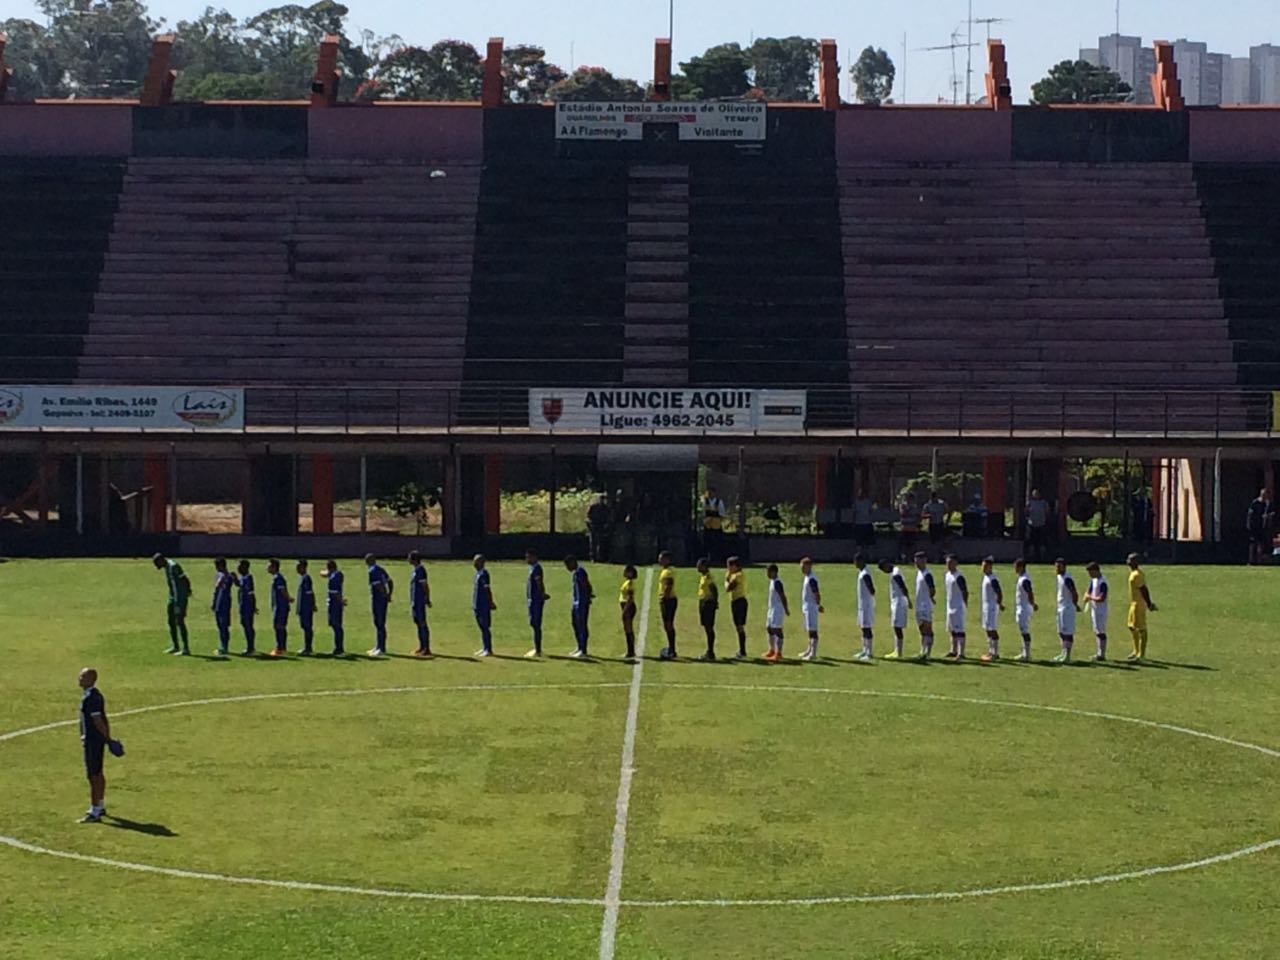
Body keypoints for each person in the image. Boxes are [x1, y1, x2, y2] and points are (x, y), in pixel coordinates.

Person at [77, 667, 122, 823]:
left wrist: (107, 739)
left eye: (83, 676)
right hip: (96, 740)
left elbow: (98, 721)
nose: (79, 678)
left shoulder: (91, 698)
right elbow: (104, 718)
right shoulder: (94, 695)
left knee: (93, 775)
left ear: (91, 679)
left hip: (93, 741)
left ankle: (95, 810)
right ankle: (100, 805)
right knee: (98, 772)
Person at [153, 553, 192, 656]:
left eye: (157, 564)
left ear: (161, 560)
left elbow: (184, 578)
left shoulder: (173, 566)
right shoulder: (166, 567)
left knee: (179, 621)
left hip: (179, 599)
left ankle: (186, 648)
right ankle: (175, 646)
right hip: (172, 598)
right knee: (171, 621)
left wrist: (187, 590)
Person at [1126, 553, 1158, 662]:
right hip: (1133, 603)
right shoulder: (1133, 573)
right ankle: (1136, 651)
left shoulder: (1137, 575)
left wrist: (1149, 604)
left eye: (1131, 560)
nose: (1128, 562)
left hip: (1138, 604)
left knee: (1141, 629)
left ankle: (1142, 655)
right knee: (1131, 627)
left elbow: (1144, 590)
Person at [878, 559, 911, 660]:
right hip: (896, 602)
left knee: (897, 627)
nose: (885, 572)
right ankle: (897, 650)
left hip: (899, 603)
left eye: (884, 569)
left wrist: (908, 599)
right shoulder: (895, 571)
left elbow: (903, 587)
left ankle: (898, 651)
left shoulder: (896, 574)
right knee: (896, 626)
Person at [1052, 558, 1081, 664]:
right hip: (1060, 607)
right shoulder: (1059, 577)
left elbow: (1074, 593)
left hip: (1067, 608)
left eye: (1059, 567)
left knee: (1068, 632)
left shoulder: (1067, 579)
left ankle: (1067, 655)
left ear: (1064, 567)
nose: (1057, 569)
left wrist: (1075, 604)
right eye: (1056, 567)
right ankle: (1063, 652)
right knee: (1061, 631)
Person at [365, 554, 393, 658]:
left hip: (378, 599)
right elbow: (390, 581)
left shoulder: (372, 571)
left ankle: (381, 648)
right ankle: (378, 646)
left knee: (379, 623)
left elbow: (379, 586)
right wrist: (389, 594)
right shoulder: (381, 569)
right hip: (381, 599)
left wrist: (385, 595)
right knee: (379, 623)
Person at [566, 555, 594, 658]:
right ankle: (579, 646)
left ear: (572, 562)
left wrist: (588, 596)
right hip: (576, 602)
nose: (567, 568)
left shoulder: (580, 572)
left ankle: (583, 650)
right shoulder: (575, 573)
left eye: (568, 565)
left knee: (582, 625)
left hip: (582, 603)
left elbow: (587, 585)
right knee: (575, 624)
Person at [798, 557, 824, 661]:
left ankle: (813, 653)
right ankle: (809, 650)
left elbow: (816, 593)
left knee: (813, 630)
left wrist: (818, 605)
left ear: (809, 566)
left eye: (803, 567)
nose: (802, 569)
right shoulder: (807, 577)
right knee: (809, 629)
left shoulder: (812, 579)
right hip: (806, 606)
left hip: (811, 607)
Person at [1013, 558, 1038, 662]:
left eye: (1016, 567)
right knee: (1022, 631)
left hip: (1024, 608)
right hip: (1021, 607)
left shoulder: (1024, 580)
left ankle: (1027, 654)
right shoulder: (1021, 578)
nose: (1014, 569)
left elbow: (1030, 592)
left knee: (1025, 631)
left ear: (1021, 567)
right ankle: (1024, 653)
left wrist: (1033, 604)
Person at [763, 563, 790, 661]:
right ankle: (772, 650)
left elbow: (783, 596)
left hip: (777, 609)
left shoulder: (777, 583)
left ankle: (779, 653)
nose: (767, 574)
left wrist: (786, 609)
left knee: (777, 629)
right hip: (771, 608)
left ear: (774, 572)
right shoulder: (772, 581)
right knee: (769, 628)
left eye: (768, 572)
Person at [979, 556, 1004, 662]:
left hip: (991, 607)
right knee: (987, 629)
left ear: (990, 567)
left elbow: (999, 592)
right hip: (986, 607)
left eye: (985, 566)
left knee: (992, 629)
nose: (983, 568)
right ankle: (990, 651)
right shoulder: (986, 577)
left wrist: (999, 603)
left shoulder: (993, 579)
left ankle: (995, 653)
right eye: (982, 566)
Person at [943, 554, 968, 660]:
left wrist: (964, 603)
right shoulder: (947, 575)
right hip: (950, 606)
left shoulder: (959, 577)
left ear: (956, 563)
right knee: (952, 629)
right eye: (947, 563)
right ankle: (953, 650)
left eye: (951, 563)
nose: (948, 565)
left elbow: (964, 591)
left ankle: (961, 653)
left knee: (959, 630)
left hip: (958, 607)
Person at [724, 556, 749, 661]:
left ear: (735, 566)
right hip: (736, 601)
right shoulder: (734, 575)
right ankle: (742, 650)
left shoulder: (737, 576)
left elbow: (728, 588)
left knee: (739, 626)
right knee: (738, 626)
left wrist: (726, 581)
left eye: (729, 566)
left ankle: (742, 651)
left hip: (739, 602)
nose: (728, 568)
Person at [408, 551, 432, 658]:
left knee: (422, 624)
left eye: (409, 558)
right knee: (417, 623)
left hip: (419, 601)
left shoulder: (421, 570)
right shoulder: (415, 570)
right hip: (415, 601)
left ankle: (426, 648)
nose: (408, 560)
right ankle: (421, 646)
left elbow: (425, 585)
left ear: (414, 559)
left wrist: (427, 598)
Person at [1084, 561, 1109, 662]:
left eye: (1091, 572)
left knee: (1101, 631)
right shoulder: (1093, 580)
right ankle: (1099, 653)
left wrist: (1090, 597)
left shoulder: (1103, 582)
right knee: (1097, 630)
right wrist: (1087, 595)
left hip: (1101, 610)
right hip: (1094, 609)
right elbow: (1089, 591)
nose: (1090, 575)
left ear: (1096, 571)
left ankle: (1102, 654)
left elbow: (1101, 598)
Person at [695, 557, 719, 661]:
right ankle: (709, 651)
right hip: (704, 602)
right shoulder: (703, 576)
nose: (697, 567)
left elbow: (714, 590)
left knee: (709, 627)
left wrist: (714, 602)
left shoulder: (708, 577)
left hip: (708, 603)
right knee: (706, 627)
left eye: (699, 565)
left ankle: (710, 652)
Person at [913, 552, 936, 660]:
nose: (916, 564)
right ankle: (922, 650)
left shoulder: (927, 574)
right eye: (915, 561)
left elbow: (932, 589)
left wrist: (930, 597)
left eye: (918, 561)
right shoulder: (919, 573)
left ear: (924, 561)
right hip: (919, 604)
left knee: (927, 628)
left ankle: (928, 652)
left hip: (925, 605)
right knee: (921, 628)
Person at [525, 549, 547, 658]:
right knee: (533, 623)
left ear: (534, 557)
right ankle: (536, 648)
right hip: (532, 599)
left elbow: (539, 582)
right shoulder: (532, 568)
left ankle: (538, 650)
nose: (526, 559)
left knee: (536, 624)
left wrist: (542, 594)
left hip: (536, 600)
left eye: (528, 557)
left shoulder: (537, 569)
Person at [473, 554, 496, 657]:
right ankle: (484, 647)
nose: (474, 563)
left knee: (485, 626)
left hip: (483, 605)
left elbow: (487, 589)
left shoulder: (484, 574)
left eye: (476, 561)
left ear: (481, 563)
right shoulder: (478, 574)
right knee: (481, 627)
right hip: (477, 604)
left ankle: (488, 649)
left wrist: (490, 602)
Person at [267, 558, 291, 657]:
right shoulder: (276, 577)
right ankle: (281, 647)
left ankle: (280, 648)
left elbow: (283, 590)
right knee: (279, 626)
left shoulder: (278, 578)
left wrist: (288, 598)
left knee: (279, 626)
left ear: (274, 567)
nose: (267, 567)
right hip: (279, 606)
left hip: (281, 607)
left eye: (269, 566)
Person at [657, 551, 679, 661]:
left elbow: (668, 585)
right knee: (667, 624)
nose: (659, 560)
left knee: (668, 624)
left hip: (668, 600)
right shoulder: (666, 571)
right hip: (669, 600)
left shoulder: (668, 572)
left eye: (661, 558)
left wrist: (664, 597)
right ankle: (671, 648)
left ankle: (672, 649)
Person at [854, 554, 876, 661]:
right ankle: (864, 649)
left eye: (856, 561)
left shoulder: (865, 574)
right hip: (862, 604)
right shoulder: (861, 573)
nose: (855, 564)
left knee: (867, 628)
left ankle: (869, 652)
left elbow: (872, 589)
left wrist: (868, 598)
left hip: (866, 605)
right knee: (863, 627)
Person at [211, 557, 234, 658]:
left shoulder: (228, 577)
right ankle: (222, 645)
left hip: (225, 603)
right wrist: (214, 603)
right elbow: (216, 590)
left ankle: (225, 647)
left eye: (217, 566)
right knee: (219, 625)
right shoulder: (219, 575)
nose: (216, 568)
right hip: (218, 603)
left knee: (224, 625)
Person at [323, 559, 345, 656]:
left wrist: (341, 601)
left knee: (336, 626)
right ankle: (339, 647)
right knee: (336, 626)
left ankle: (338, 648)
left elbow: (336, 593)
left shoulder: (333, 578)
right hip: (336, 604)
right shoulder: (337, 575)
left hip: (334, 604)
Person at [1247, 488, 1274, 565]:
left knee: (1260, 544)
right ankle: (1250, 560)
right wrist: (1250, 524)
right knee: (1252, 544)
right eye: (1263, 495)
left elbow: (1271, 513)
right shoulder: (1255, 503)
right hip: (1254, 526)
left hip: (1262, 527)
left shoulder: (1267, 504)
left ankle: (1259, 561)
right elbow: (1250, 514)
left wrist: (1267, 516)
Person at [236, 559, 256, 656]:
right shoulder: (242, 577)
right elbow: (240, 586)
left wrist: (253, 606)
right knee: (244, 624)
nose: (238, 568)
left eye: (240, 566)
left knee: (248, 626)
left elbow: (251, 594)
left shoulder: (248, 578)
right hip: (242, 605)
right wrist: (235, 580)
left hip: (247, 606)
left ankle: (251, 647)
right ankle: (249, 646)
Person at [296, 560, 316, 656]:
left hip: (306, 608)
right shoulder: (302, 578)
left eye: (298, 566)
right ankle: (307, 647)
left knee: (307, 627)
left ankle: (308, 647)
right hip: (302, 607)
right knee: (304, 627)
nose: (297, 569)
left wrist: (312, 605)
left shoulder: (306, 578)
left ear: (303, 567)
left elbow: (310, 593)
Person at [701, 487, 727, 561]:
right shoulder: (704, 501)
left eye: (711, 492)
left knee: (717, 542)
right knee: (707, 542)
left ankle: (716, 558)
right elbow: (702, 513)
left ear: (714, 493)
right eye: (708, 492)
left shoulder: (719, 502)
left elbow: (722, 513)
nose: (709, 494)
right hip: (707, 526)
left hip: (716, 526)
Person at [619, 564, 638, 661]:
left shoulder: (630, 583)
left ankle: (630, 651)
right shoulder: (627, 582)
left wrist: (625, 610)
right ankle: (630, 650)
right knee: (627, 628)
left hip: (628, 607)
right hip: (627, 606)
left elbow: (630, 597)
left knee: (628, 629)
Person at [1026, 489, 1050, 562]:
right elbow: (1026, 512)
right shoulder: (1030, 503)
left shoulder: (1043, 503)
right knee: (1031, 541)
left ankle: (1042, 557)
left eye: (1037, 493)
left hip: (1041, 525)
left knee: (1042, 541)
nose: (1036, 495)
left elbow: (1047, 512)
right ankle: (1031, 557)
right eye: (1034, 494)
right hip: (1032, 525)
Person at [587, 495, 612, 563]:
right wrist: (590, 524)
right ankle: (593, 557)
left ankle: (600, 557)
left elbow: (608, 517)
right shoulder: (593, 507)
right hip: (594, 525)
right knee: (593, 542)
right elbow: (588, 516)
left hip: (601, 526)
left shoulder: (605, 508)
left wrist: (606, 525)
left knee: (600, 543)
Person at [923, 491, 948, 560]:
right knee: (933, 542)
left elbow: (948, 511)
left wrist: (946, 521)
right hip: (932, 524)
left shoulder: (942, 504)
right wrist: (929, 515)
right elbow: (923, 515)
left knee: (941, 541)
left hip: (940, 524)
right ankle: (935, 557)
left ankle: (941, 556)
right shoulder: (928, 505)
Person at [898, 492, 920, 561]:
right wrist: (908, 508)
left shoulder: (915, 507)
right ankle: (903, 558)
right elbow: (902, 513)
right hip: (905, 528)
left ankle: (911, 558)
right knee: (904, 545)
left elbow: (918, 516)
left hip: (912, 528)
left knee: (912, 545)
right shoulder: (903, 506)